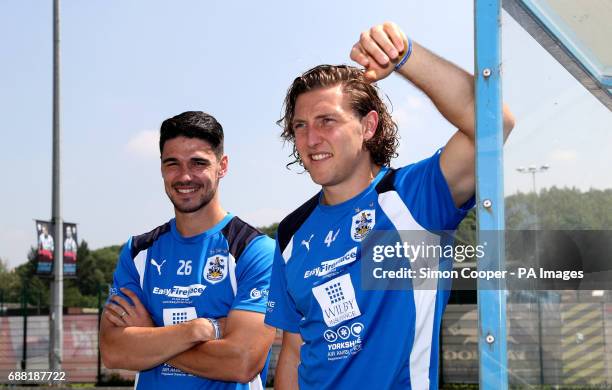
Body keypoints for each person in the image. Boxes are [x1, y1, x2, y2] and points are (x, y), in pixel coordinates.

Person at [264, 22, 515, 389]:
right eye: (300, 125)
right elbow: (295, 350)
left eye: (327, 121)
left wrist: (405, 56)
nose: (310, 138)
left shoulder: (415, 197)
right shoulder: (290, 232)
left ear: (368, 126)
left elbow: (495, 123)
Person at [99, 111, 276, 389]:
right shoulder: (138, 252)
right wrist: (199, 330)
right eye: (173, 164)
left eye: (198, 163)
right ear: (161, 168)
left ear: (223, 166)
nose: (184, 176)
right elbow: (113, 350)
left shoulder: (255, 251)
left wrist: (149, 336)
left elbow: (242, 361)